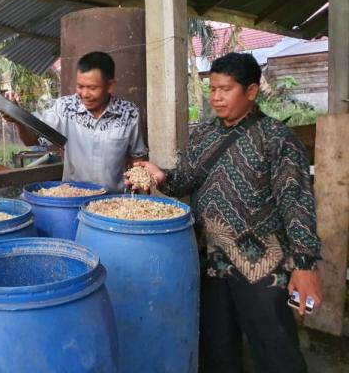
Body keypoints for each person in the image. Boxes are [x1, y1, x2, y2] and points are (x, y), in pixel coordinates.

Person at [128, 53, 322, 373]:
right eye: (213, 89)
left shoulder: (276, 139)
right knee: (217, 348)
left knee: (275, 349)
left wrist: (305, 264)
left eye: (226, 89)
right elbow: (184, 181)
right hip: (213, 261)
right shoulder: (204, 135)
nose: (216, 98)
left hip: (261, 264)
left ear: (251, 92)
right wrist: (159, 176)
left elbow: (297, 202)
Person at [6, 51, 147, 192]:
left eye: (92, 88)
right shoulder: (65, 108)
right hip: (74, 201)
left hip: (114, 204)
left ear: (110, 86)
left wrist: (140, 190)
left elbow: (137, 159)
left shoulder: (128, 113)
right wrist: (18, 119)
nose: (84, 94)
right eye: (80, 86)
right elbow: (31, 139)